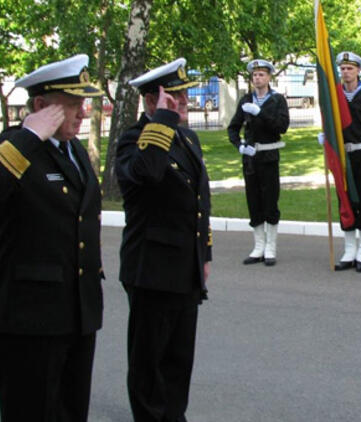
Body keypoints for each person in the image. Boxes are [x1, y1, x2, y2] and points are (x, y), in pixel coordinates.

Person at [0, 54, 104, 421]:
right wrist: (28, 136)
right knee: (32, 410)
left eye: (83, 103)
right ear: (41, 106)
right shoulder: (14, 149)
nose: (82, 112)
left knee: (72, 409)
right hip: (33, 317)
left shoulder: (74, 149)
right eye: (72, 105)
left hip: (78, 310)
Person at [116, 58, 212, 421]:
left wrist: (204, 254)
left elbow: (200, 201)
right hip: (151, 271)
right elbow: (148, 173)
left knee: (178, 363)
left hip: (184, 269)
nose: (184, 101)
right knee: (149, 366)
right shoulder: (133, 140)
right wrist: (163, 121)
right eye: (175, 96)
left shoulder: (188, 138)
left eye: (185, 94)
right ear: (152, 100)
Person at [319, 51, 361, 273]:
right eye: (343, 68)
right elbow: (330, 120)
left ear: (359, 70)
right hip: (343, 157)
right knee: (345, 201)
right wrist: (326, 136)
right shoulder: (335, 96)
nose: (346, 72)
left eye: (350, 68)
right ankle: (349, 250)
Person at [228, 59, 290, 266]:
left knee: (270, 201)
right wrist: (239, 145)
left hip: (269, 157)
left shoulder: (277, 100)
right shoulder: (246, 99)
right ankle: (258, 246)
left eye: (261, 74)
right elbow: (233, 127)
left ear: (269, 77)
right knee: (253, 201)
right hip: (251, 159)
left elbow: (282, 127)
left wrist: (260, 113)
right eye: (254, 75)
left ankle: (270, 247)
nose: (257, 78)